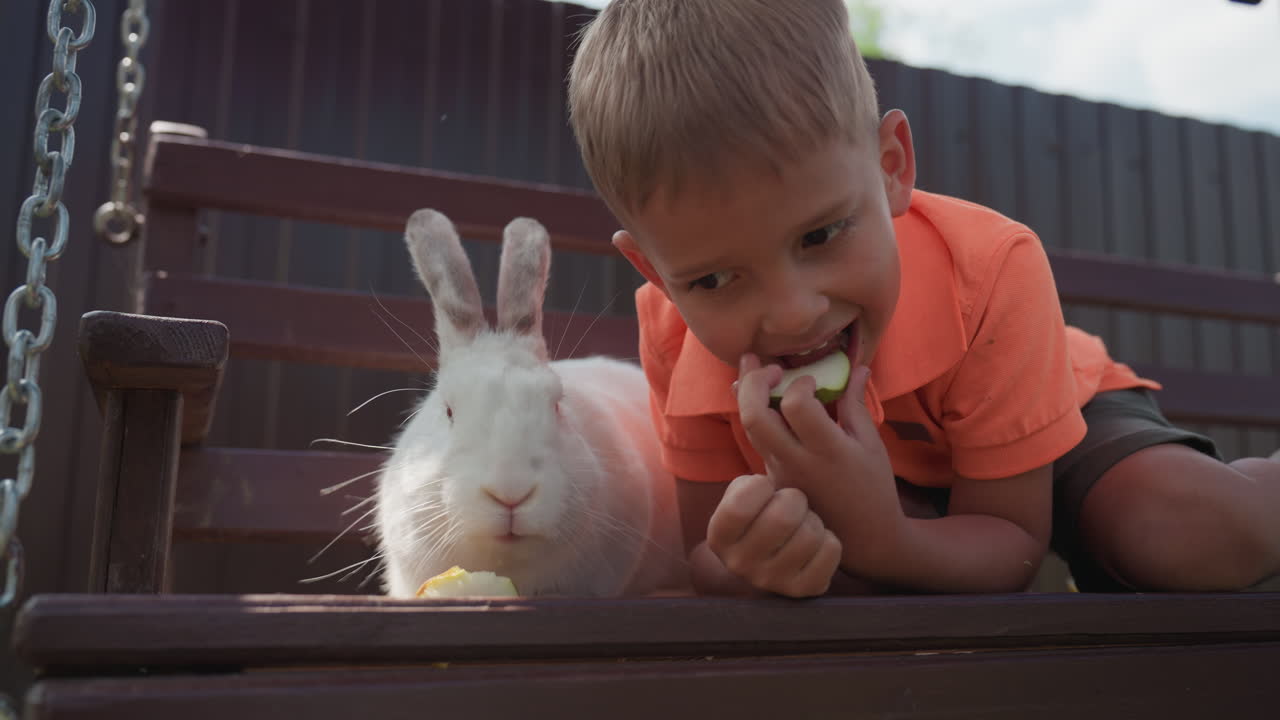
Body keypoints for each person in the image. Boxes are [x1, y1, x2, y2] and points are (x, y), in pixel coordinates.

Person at [566, 0, 1280, 596]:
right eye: (715, 280)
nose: (792, 313)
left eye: (820, 235)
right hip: (895, 505)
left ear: (892, 168)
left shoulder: (991, 268)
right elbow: (709, 553)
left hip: (1055, 417)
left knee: (1186, 534)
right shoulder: (673, 336)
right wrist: (758, 558)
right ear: (655, 274)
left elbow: (1012, 545)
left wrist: (882, 539)